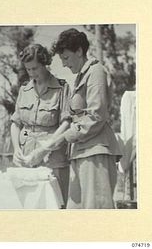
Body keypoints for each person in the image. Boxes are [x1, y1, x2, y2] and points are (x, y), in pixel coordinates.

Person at [27, 28, 122, 209]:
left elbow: (95, 116)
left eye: (66, 58)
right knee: (76, 213)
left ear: (79, 51)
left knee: (95, 214)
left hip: (96, 152)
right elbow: (74, 118)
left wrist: (63, 138)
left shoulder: (96, 72)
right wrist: (50, 143)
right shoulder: (81, 77)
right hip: (80, 152)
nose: (63, 64)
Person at [10, 44, 71, 207]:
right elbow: (15, 123)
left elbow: (66, 123)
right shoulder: (24, 90)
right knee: (27, 204)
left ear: (45, 63)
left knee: (56, 204)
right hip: (26, 156)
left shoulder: (61, 88)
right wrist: (16, 149)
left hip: (53, 157)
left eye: (35, 68)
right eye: (28, 69)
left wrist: (44, 149)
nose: (32, 73)